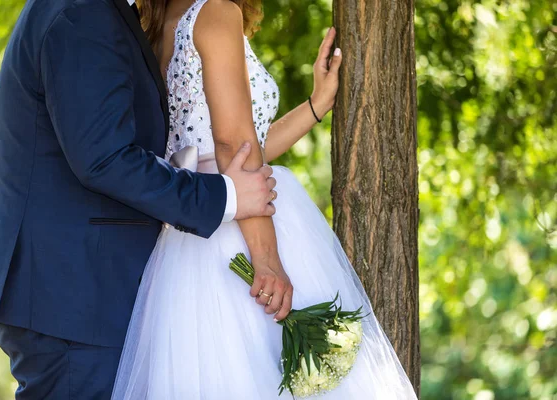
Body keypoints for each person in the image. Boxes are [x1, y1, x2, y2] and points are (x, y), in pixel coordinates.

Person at [112, 0, 419, 398]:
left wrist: (315, 106)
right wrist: (268, 260)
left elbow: (226, 147)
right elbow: (234, 145)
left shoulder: (151, 27)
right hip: (243, 225)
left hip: (189, 232)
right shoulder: (216, 12)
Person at [0, 0, 278, 398]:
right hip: (74, 297)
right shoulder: (83, 13)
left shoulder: (103, 13)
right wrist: (224, 197)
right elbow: (104, 158)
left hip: (79, 292)